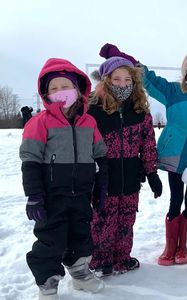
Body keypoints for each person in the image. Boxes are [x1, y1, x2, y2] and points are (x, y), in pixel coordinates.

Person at [99, 43, 187, 266]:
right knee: (175, 201)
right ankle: (170, 248)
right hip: (174, 158)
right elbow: (147, 78)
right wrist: (123, 58)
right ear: (185, 72)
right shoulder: (173, 92)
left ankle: (184, 247)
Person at [20, 58, 107, 299]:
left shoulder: (89, 122)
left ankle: (80, 275)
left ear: (78, 90)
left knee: (81, 235)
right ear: (45, 93)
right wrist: (34, 195)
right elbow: (30, 161)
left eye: (65, 87)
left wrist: (102, 185)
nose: (60, 93)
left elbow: (100, 155)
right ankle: (47, 284)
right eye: (53, 88)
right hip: (52, 196)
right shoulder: (39, 122)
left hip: (81, 194)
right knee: (51, 241)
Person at [88, 55, 162, 276]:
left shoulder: (140, 110)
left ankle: (122, 258)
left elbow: (148, 143)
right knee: (103, 221)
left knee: (126, 219)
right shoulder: (94, 109)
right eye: (117, 79)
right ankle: (101, 261)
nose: (123, 84)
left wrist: (152, 173)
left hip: (130, 176)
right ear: (106, 80)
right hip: (103, 178)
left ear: (134, 82)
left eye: (127, 80)